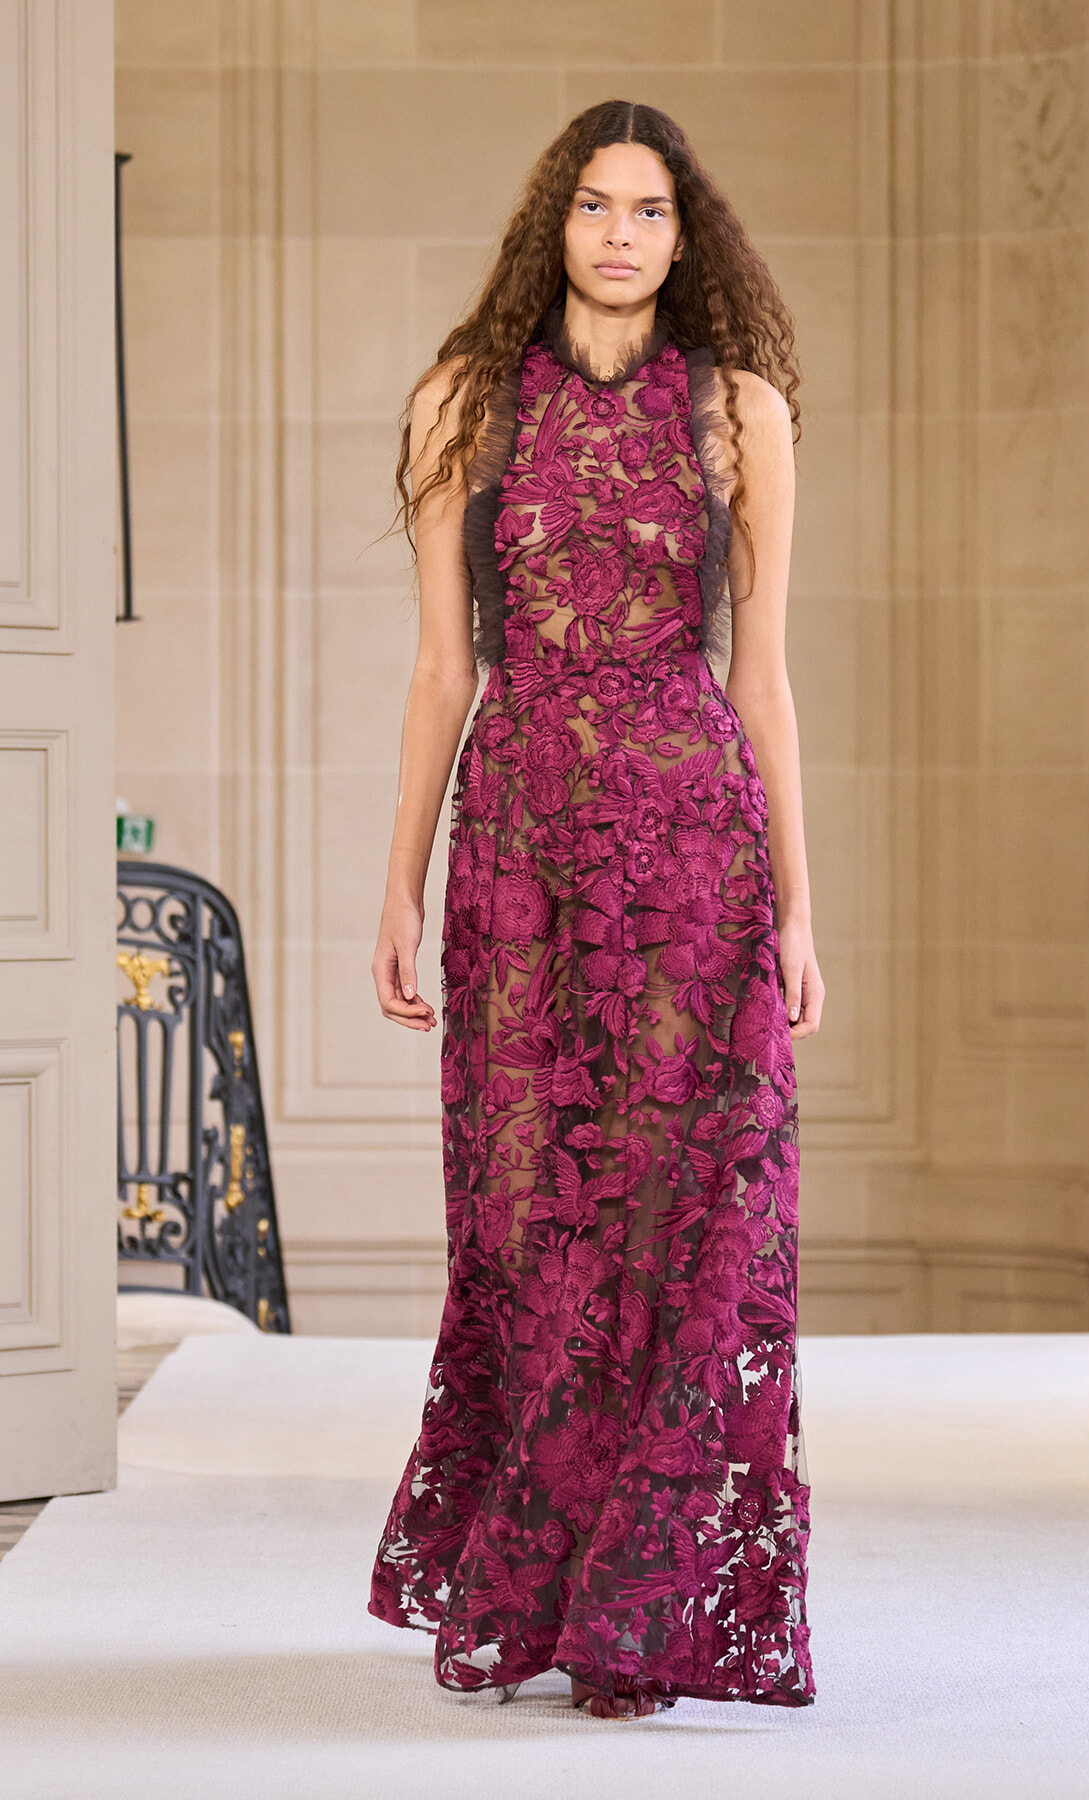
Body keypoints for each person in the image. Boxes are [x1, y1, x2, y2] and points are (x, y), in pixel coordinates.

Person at [368, 99, 823, 1720]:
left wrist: (799, 910)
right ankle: (536, 1581)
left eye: (650, 211)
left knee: (687, 1215)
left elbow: (761, 686)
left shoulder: (742, 412)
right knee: (527, 1220)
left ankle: (640, 1606)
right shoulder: (464, 403)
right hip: (519, 858)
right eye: (594, 205)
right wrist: (400, 885)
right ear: (551, 223)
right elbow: (442, 668)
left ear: (684, 236)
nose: (621, 233)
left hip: (696, 850)